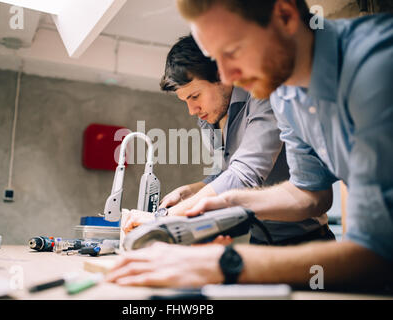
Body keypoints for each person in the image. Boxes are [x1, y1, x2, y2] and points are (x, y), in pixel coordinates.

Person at [106, 0, 393, 290]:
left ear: (284, 15)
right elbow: (311, 194)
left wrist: (225, 262)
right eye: (216, 59)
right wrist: (229, 203)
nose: (228, 78)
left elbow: (379, 253)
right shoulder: (286, 94)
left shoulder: (377, 67)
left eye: (232, 51)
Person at [124, 35, 336, 245]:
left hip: (309, 241)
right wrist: (189, 191)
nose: (191, 110)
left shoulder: (262, 97)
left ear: (221, 75)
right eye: (185, 101)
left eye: (195, 96)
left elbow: (244, 175)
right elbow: (225, 173)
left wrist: (161, 220)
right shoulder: (208, 120)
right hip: (260, 240)